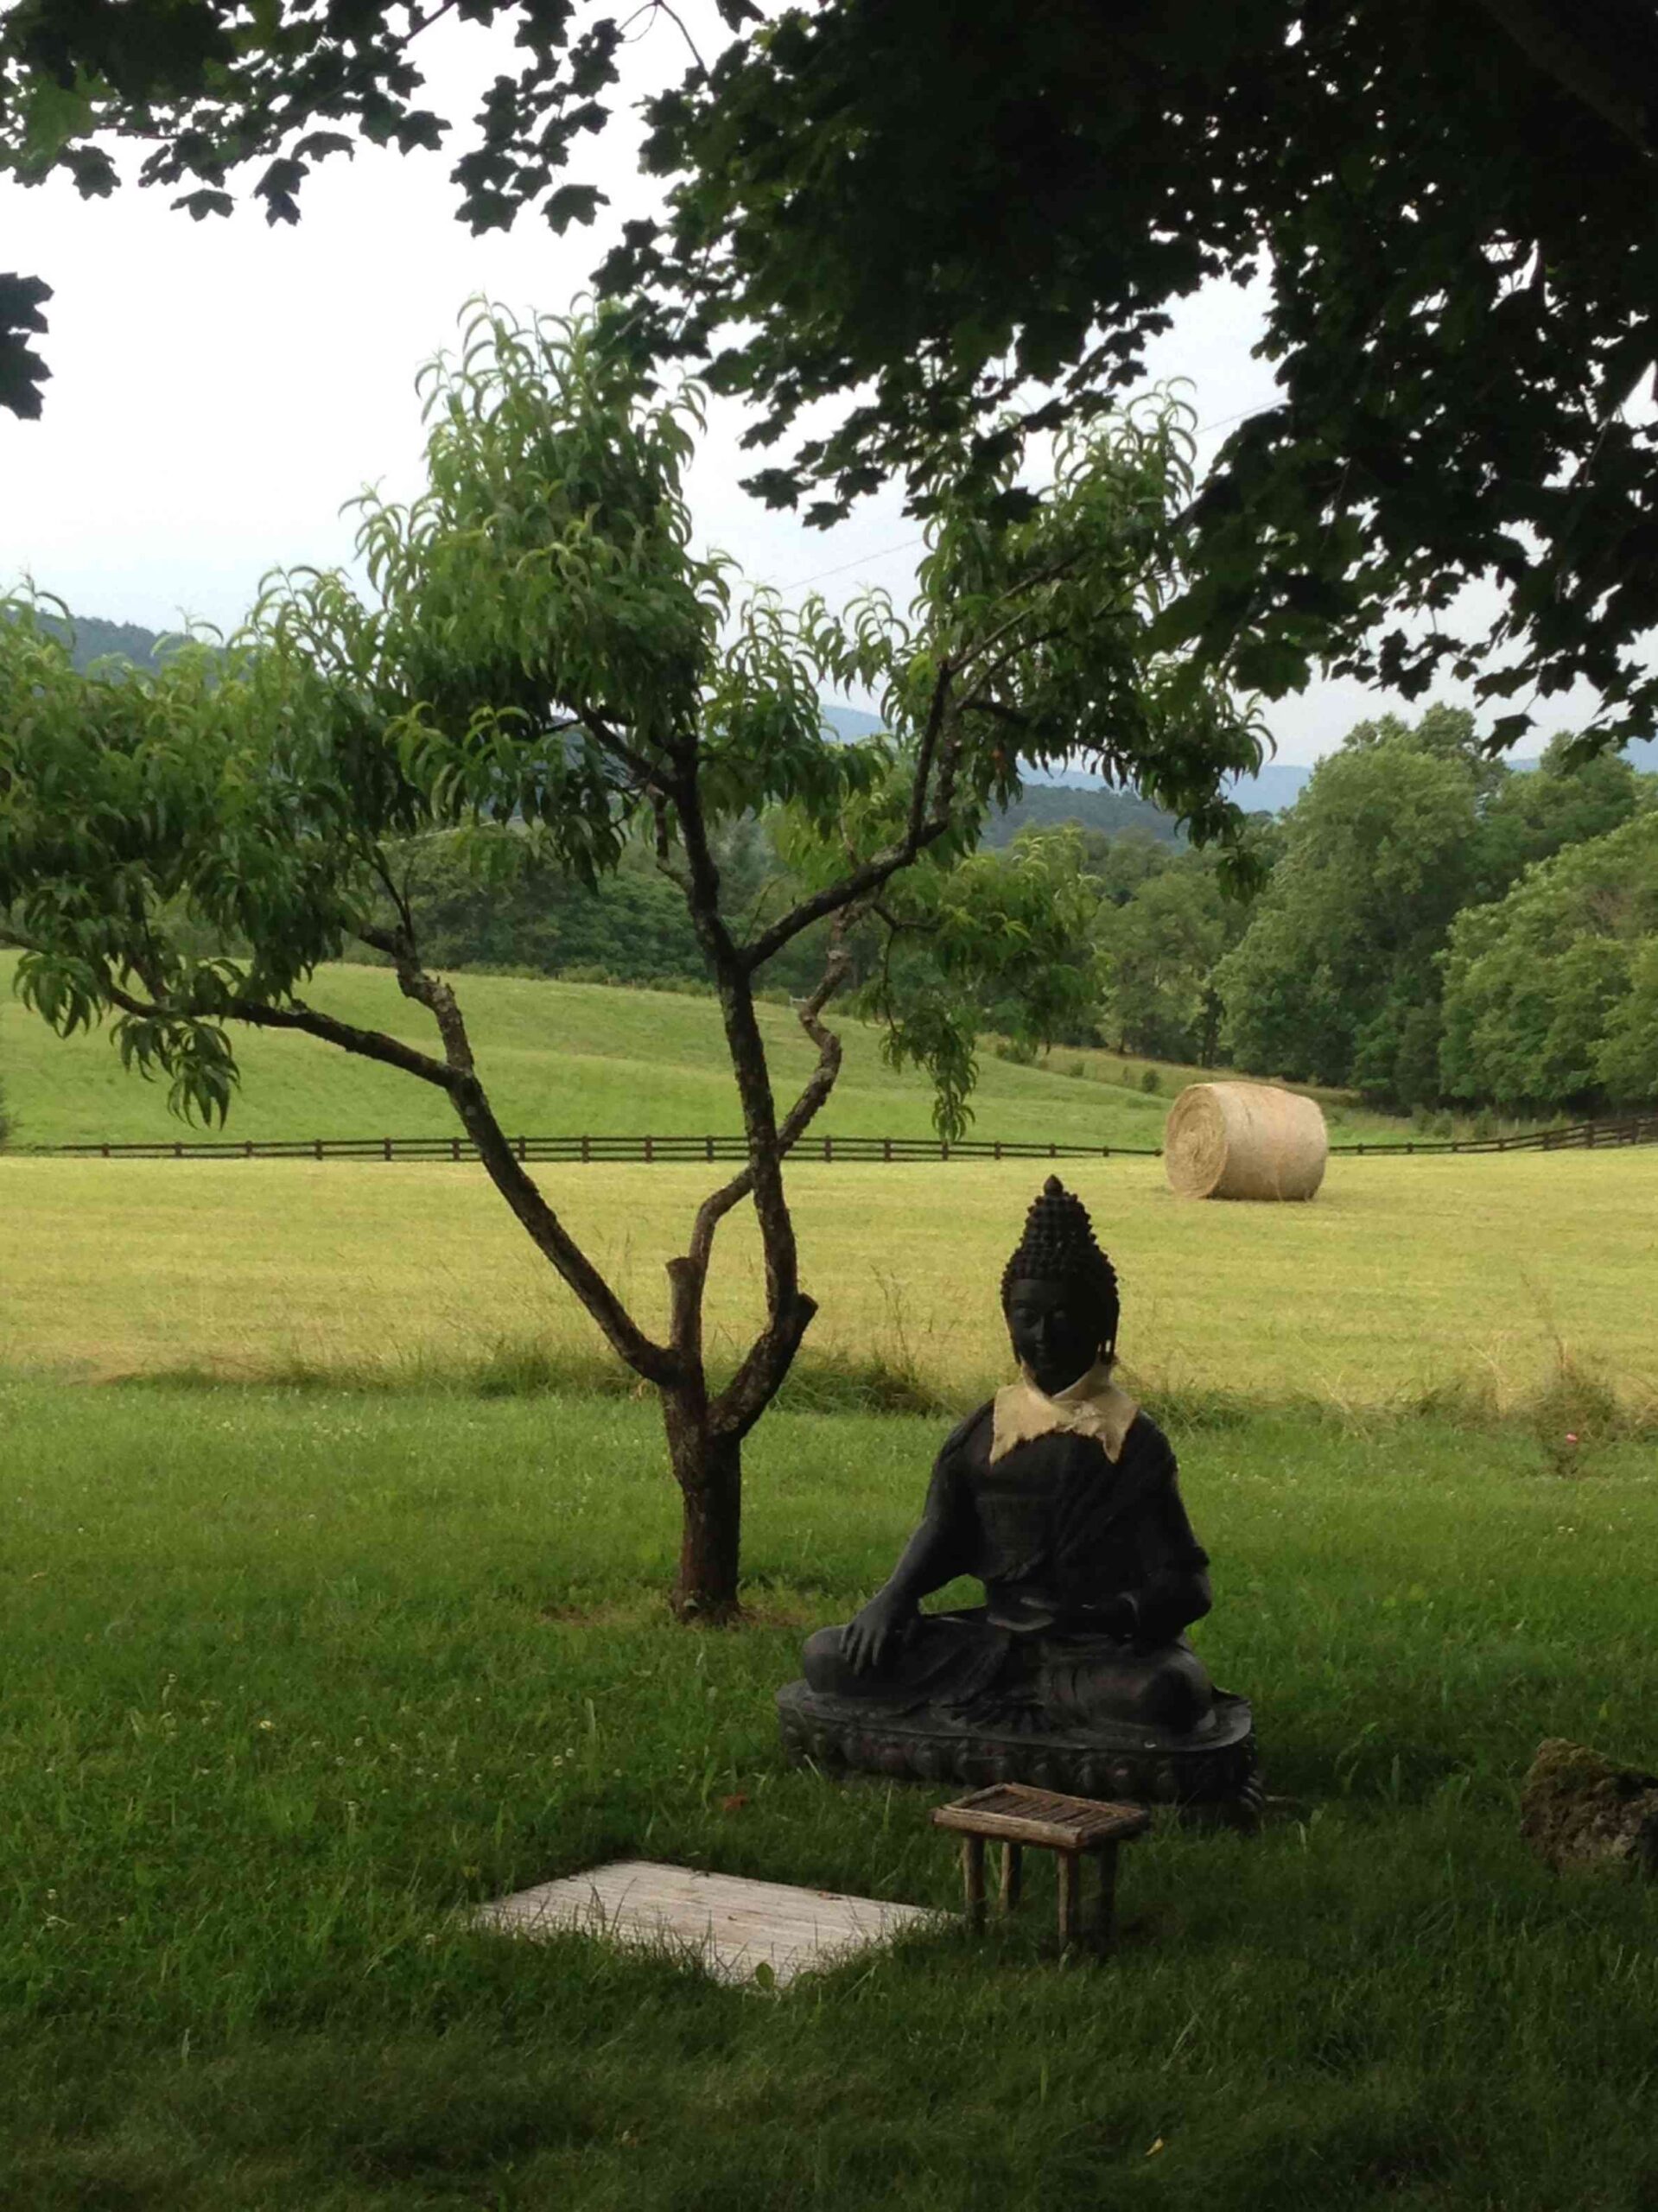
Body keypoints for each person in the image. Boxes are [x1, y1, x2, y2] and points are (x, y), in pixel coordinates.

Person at [801, 1177, 1216, 1736]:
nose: (1042, 1334)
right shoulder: (982, 1431)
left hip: (1096, 1654)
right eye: (1026, 1315)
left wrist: (1105, 1617)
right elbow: (942, 1530)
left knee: (1161, 1693)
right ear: (1006, 1318)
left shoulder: (1131, 1442)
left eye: (1064, 1315)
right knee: (829, 1657)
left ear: (1101, 1323)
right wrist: (892, 1597)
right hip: (988, 1643)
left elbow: (1187, 1586)